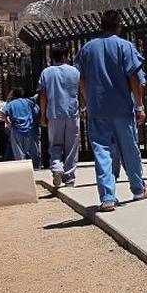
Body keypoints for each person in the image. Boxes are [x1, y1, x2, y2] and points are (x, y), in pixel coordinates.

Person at [77, 10, 147, 212]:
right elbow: (134, 78)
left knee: (102, 152)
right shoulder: (125, 46)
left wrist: (87, 100)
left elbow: (82, 80)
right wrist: (139, 104)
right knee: (130, 149)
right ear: (119, 26)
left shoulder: (87, 49)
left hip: (97, 108)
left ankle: (108, 197)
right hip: (121, 107)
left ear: (101, 26)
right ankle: (138, 188)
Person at [38, 45, 81, 187]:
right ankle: (69, 177)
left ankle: (57, 167)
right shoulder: (74, 71)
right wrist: (85, 104)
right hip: (71, 112)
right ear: (64, 56)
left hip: (54, 113)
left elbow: (43, 95)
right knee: (72, 146)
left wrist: (43, 115)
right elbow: (81, 90)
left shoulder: (46, 73)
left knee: (55, 145)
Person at [3, 87, 40, 165]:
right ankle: (33, 165)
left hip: (16, 129)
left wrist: (7, 122)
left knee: (18, 149)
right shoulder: (27, 101)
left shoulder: (11, 104)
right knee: (29, 148)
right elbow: (36, 97)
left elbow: (3, 112)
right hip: (28, 128)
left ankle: (22, 165)